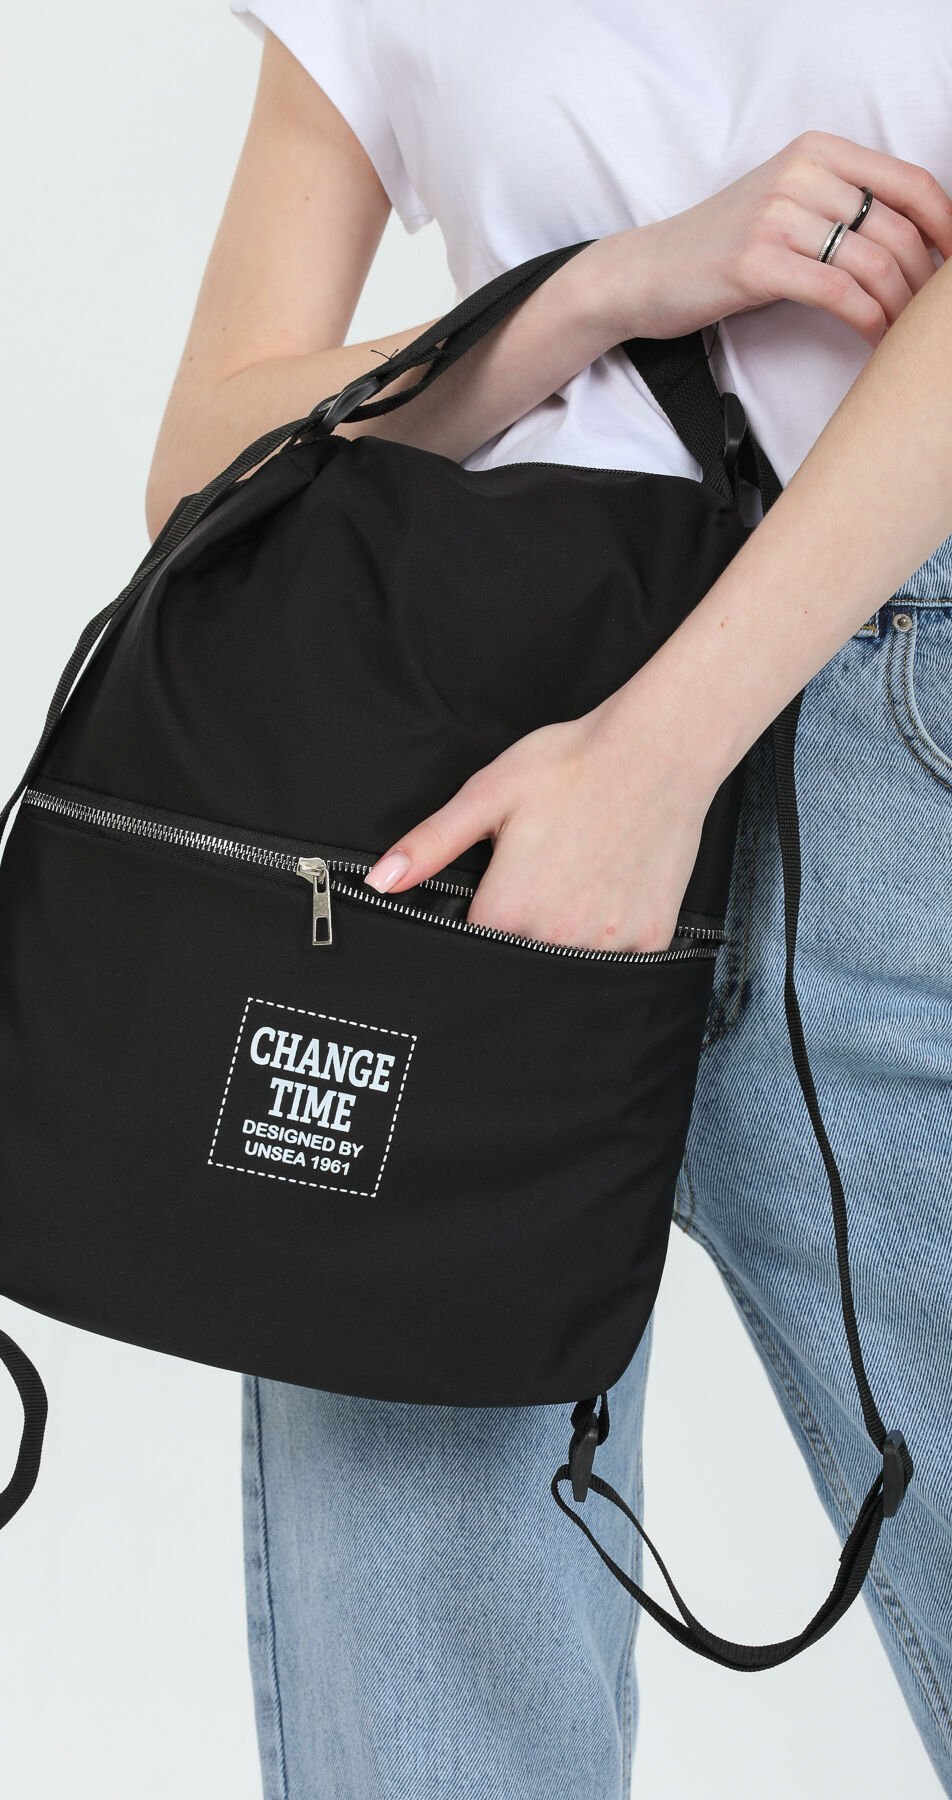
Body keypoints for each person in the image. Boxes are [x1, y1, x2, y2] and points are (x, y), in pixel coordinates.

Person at [144, 8, 952, 1794]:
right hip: (466, 756)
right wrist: (597, 289)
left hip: (897, 736)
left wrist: (656, 758)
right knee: (435, 1740)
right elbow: (202, 460)